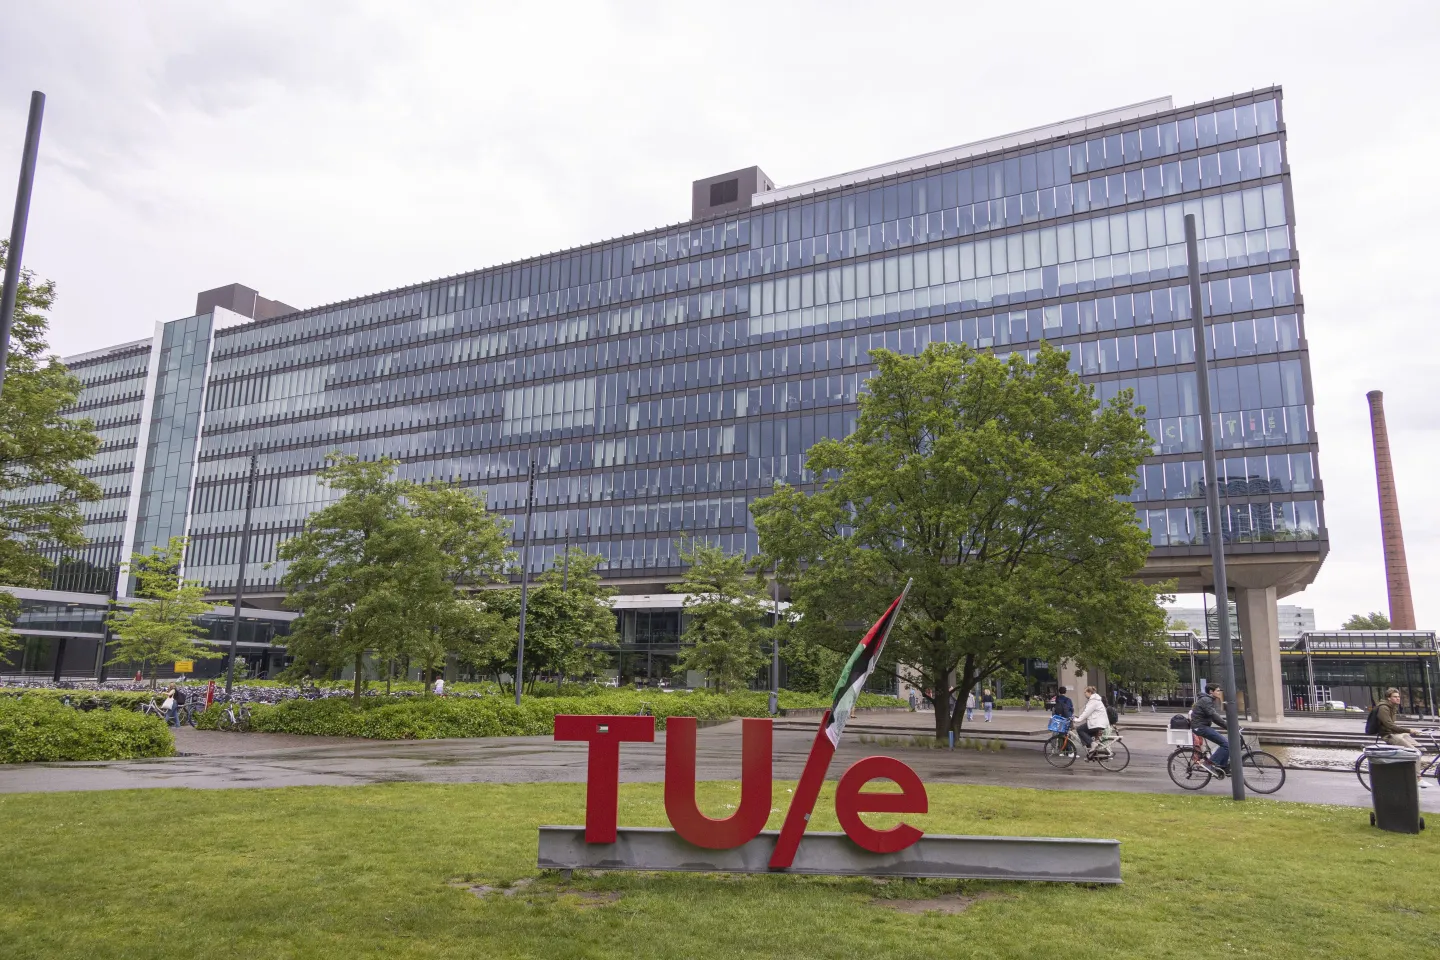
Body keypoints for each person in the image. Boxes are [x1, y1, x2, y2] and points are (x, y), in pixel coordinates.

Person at [1191, 686, 1230, 774]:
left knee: (1226, 744)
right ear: (1211, 691)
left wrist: (1226, 725)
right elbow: (1214, 716)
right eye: (1218, 690)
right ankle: (1208, 763)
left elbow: (1214, 716)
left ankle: (1221, 768)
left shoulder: (1209, 700)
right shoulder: (1206, 700)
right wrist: (1229, 727)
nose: (1219, 692)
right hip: (1200, 727)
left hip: (1202, 726)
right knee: (1226, 744)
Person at [1072, 685, 1110, 755]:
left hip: (1096, 723)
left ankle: (1092, 744)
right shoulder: (1096, 700)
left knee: (1080, 729)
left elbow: (1086, 712)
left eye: (1085, 692)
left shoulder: (1093, 701)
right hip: (1100, 723)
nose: (1084, 694)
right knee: (1085, 735)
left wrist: (1077, 720)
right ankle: (1091, 752)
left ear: (1089, 692)